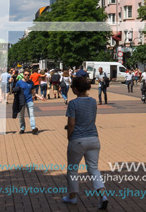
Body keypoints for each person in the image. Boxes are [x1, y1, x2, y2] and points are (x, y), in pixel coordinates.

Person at [62, 76, 109, 209]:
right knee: (93, 169)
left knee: (72, 169)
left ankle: (72, 197)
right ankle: (103, 195)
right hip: (93, 138)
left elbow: (71, 123)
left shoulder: (73, 103)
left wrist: (69, 136)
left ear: (76, 89)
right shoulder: (93, 102)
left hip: (78, 139)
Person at [12, 69, 44, 134]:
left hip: (29, 100)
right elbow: (15, 91)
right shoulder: (19, 82)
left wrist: (40, 97)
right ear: (23, 75)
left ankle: (33, 128)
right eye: (25, 74)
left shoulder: (31, 83)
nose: (27, 76)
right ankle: (22, 128)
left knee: (31, 115)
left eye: (28, 75)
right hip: (21, 102)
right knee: (21, 115)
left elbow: (33, 93)